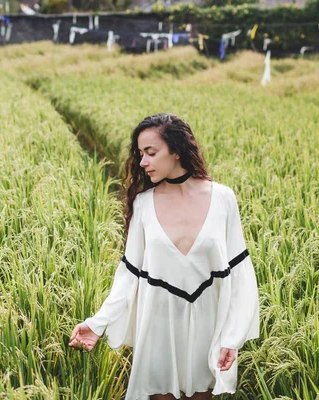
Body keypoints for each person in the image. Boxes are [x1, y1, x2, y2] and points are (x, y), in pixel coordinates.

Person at [68, 113, 259, 400]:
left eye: (151, 153)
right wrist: (98, 324)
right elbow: (128, 276)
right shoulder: (143, 205)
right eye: (140, 154)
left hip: (207, 327)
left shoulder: (223, 199)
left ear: (177, 150)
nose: (143, 162)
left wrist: (232, 337)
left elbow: (241, 274)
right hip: (158, 326)